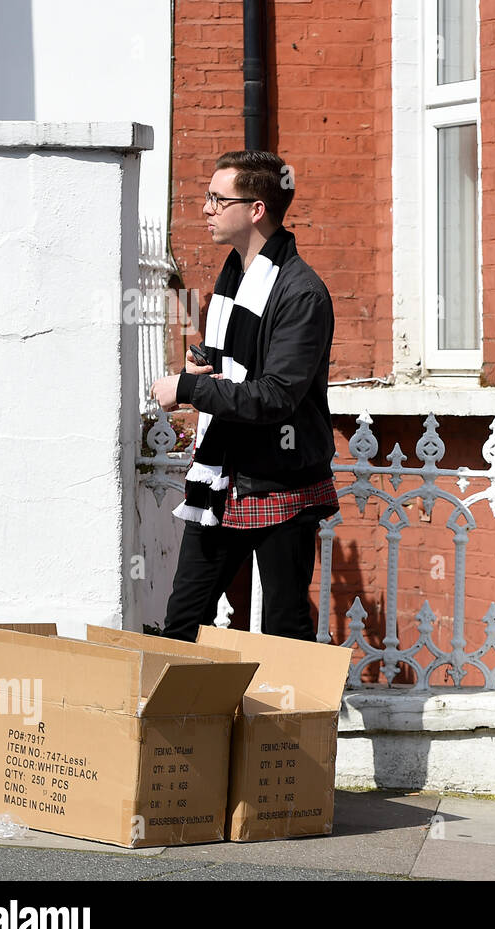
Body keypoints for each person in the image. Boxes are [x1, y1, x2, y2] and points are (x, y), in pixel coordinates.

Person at [150, 150, 337, 642]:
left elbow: (275, 396)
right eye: (207, 198)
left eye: (217, 198)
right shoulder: (236, 276)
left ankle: (288, 719)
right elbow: (244, 361)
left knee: (284, 627)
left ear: (256, 209)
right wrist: (206, 360)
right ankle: (183, 720)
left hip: (281, 481)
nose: (206, 209)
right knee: (182, 623)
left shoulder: (301, 293)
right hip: (221, 474)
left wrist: (190, 387)